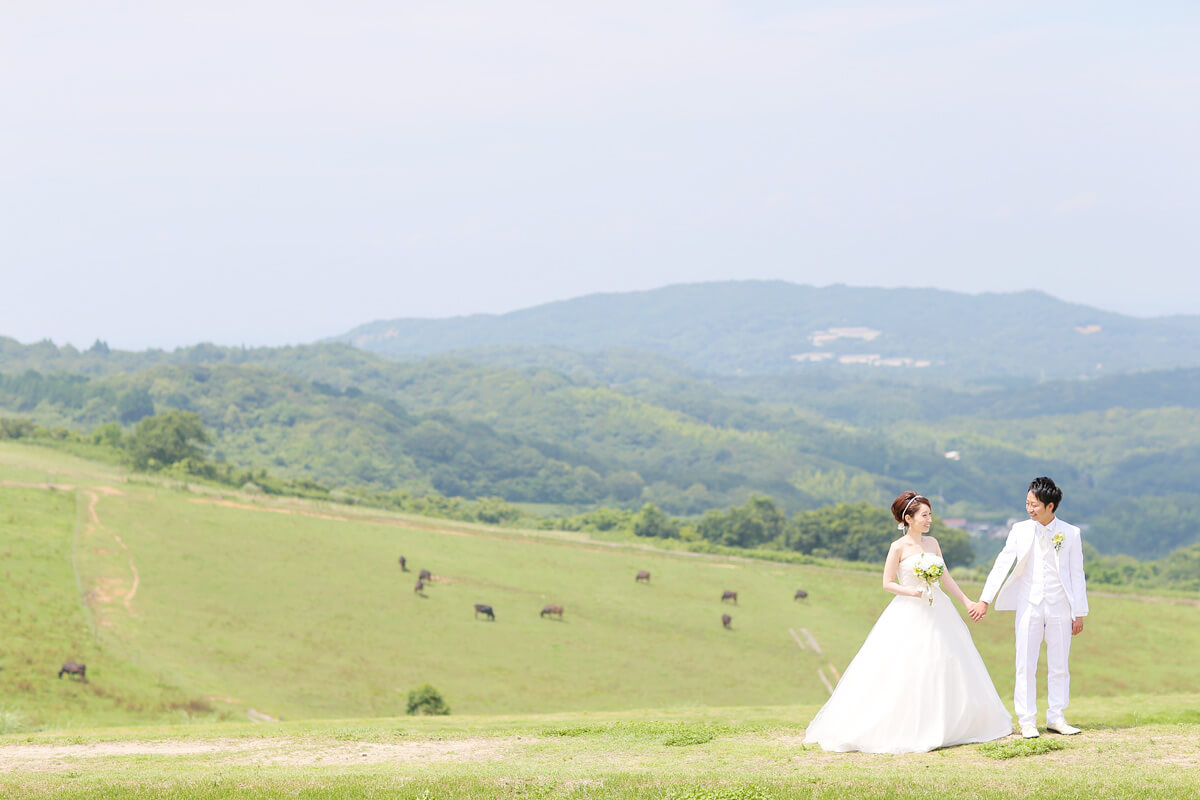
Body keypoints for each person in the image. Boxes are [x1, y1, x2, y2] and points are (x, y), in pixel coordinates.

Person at [803, 491, 1013, 753]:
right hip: (909, 610)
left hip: (939, 609)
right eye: (924, 515)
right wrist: (911, 592)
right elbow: (887, 582)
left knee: (947, 660)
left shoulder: (933, 543)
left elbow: (945, 577)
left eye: (930, 515)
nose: (929, 520)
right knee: (906, 665)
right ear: (909, 518)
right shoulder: (898, 547)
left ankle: (949, 723)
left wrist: (967, 601)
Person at [968, 477, 1088, 739]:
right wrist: (985, 599)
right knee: (1025, 664)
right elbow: (1003, 564)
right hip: (1029, 604)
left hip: (1060, 606)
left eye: (1034, 505)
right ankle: (1027, 720)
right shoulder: (1019, 530)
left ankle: (1056, 717)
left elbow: (1078, 574)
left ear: (1050, 506)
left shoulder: (1071, 533)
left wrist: (1079, 613)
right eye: (1027, 503)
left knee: (1059, 665)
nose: (1029, 509)